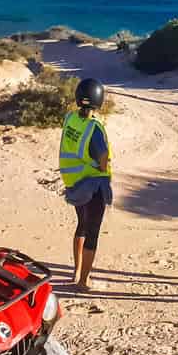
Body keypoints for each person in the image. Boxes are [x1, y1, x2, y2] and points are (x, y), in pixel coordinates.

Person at [57, 77, 112, 292]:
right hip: (93, 185)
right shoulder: (95, 128)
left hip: (73, 182)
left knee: (81, 224)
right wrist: (102, 168)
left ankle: (76, 271)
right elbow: (102, 158)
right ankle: (83, 282)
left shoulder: (70, 118)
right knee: (92, 231)